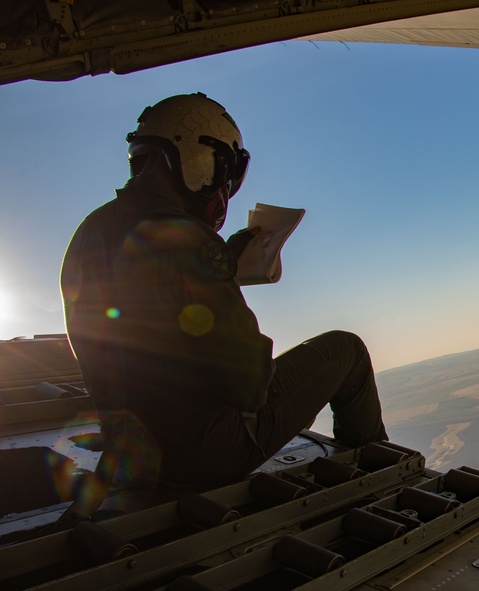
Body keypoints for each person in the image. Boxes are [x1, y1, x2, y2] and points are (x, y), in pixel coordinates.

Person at [61, 93, 387, 492]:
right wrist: (215, 262)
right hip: (204, 456)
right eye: (224, 170)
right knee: (346, 350)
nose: (224, 188)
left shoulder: (92, 230)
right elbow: (250, 385)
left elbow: (149, 300)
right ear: (202, 159)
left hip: (135, 452)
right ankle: (381, 476)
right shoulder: (191, 242)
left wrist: (220, 261)